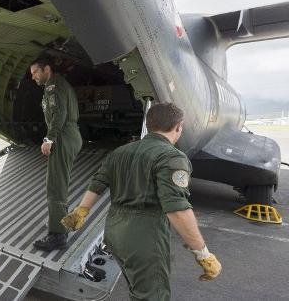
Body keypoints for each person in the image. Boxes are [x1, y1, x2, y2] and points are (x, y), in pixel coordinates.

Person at [60, 103, 222, 300]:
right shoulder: (171, 157)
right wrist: (202, 253)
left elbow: (98, 183)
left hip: (114, 232)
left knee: (138, 289)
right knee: (151, 295)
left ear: (149, 123)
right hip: (144, 237)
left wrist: (80, 212)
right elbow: (177, 209)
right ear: (178, 126)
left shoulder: (121, 152)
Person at [29, 56, 83, 251]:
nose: (33, 76)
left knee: (56, 186)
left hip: (62, 136)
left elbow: (59, 113)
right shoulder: (57, 85)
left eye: (36, 72)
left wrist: (49, 138)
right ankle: (59, 225)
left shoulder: (54, 86)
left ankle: (57, 236)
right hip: (68, 134)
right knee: (58, 184)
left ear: (47, 69)